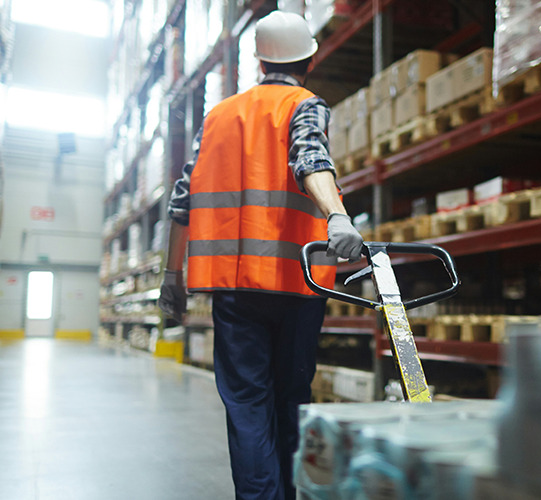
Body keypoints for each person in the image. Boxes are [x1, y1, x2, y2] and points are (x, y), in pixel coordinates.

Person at [157, 10, 363, 500]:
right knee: (290, 399)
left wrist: (172, 275)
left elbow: (182, 200)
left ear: (258, 60)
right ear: (309, 58)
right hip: (296, 283)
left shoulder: (218, 117)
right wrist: (336, 215)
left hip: (232, 287)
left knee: (247, 405)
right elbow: (310, 158)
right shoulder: (305, 104)